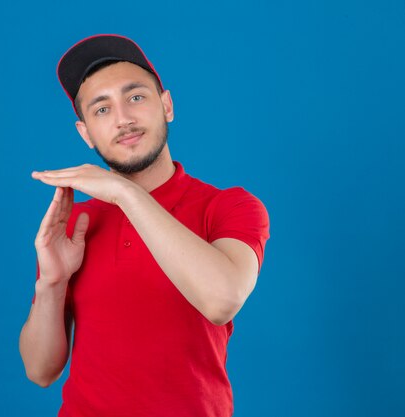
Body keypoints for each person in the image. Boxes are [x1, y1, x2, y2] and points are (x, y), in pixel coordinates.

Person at [19, 34, 270, 417]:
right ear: (85, 134)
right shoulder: (74, 226)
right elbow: (40, 371)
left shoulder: (229, 206)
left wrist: (126, 194)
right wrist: (52, 282)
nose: (123, 119)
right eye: (101, 110)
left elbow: (222, 300)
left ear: (167, 105)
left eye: (136, 97)